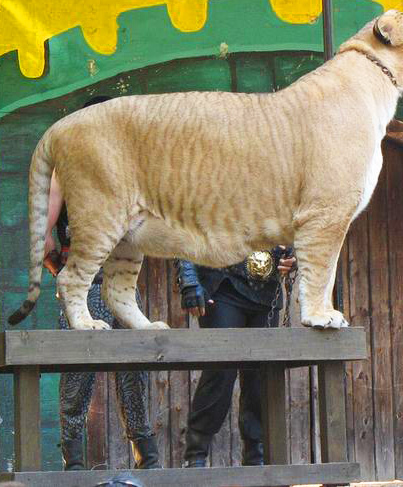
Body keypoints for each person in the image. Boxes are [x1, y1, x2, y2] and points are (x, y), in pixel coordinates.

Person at [43, 96, 160, 470]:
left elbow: (42, 237)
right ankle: (140, 461)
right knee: (107, 374)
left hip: (101, 279)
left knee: (102, 373)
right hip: (102, 282)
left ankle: (80, 463)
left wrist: (58, 265)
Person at [175, 247, 296, 467]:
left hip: (266, 292)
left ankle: (256, 456)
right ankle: (196, 455)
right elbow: (185, 227)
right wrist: (189, 280)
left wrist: (294, 255)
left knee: (261, 377)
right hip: (222, 286)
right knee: (220, 371)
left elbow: (295, 227)